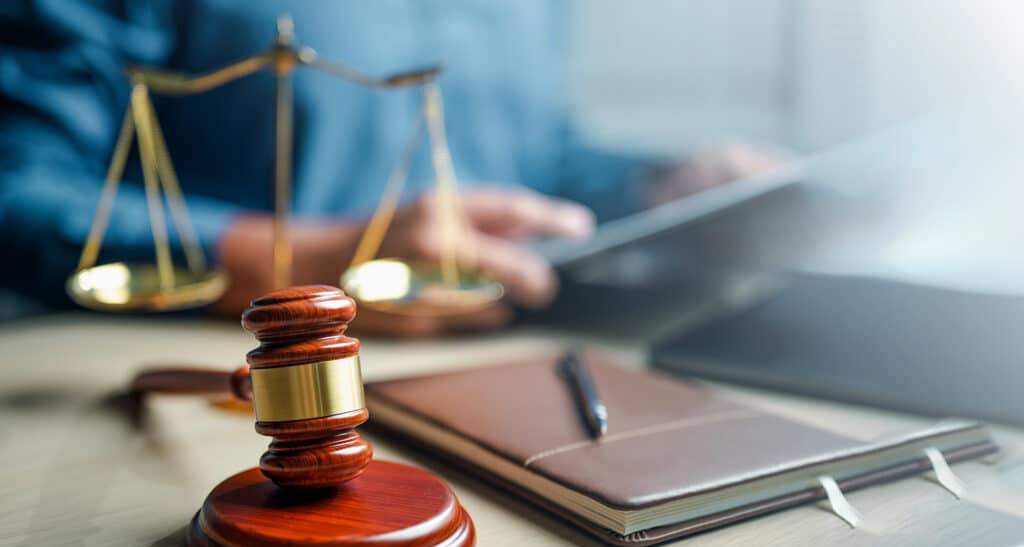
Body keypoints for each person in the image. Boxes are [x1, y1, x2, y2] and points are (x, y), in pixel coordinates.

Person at [0, 1, 778, 335]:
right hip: (224, 370)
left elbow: (536, 160)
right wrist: (310, 265)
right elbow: (22, 192)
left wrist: (665, 192)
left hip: (496, 360)